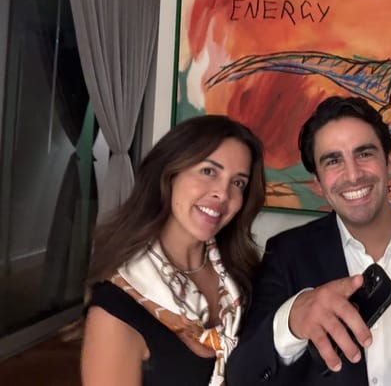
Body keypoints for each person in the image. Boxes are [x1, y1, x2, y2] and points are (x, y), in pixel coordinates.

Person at [227, 96, 391, 386]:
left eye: (364, 154)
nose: (353, 174)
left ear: (389, 162)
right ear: (318, 183)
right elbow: (242, 375)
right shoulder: (285, 255)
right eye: (333, 161)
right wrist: (292, 321)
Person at [81, 115, 266, 386]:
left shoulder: (243, 276)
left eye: (238, 182)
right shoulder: (118, 304)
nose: (223, 194)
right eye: (208, 171)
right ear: (169, 173)